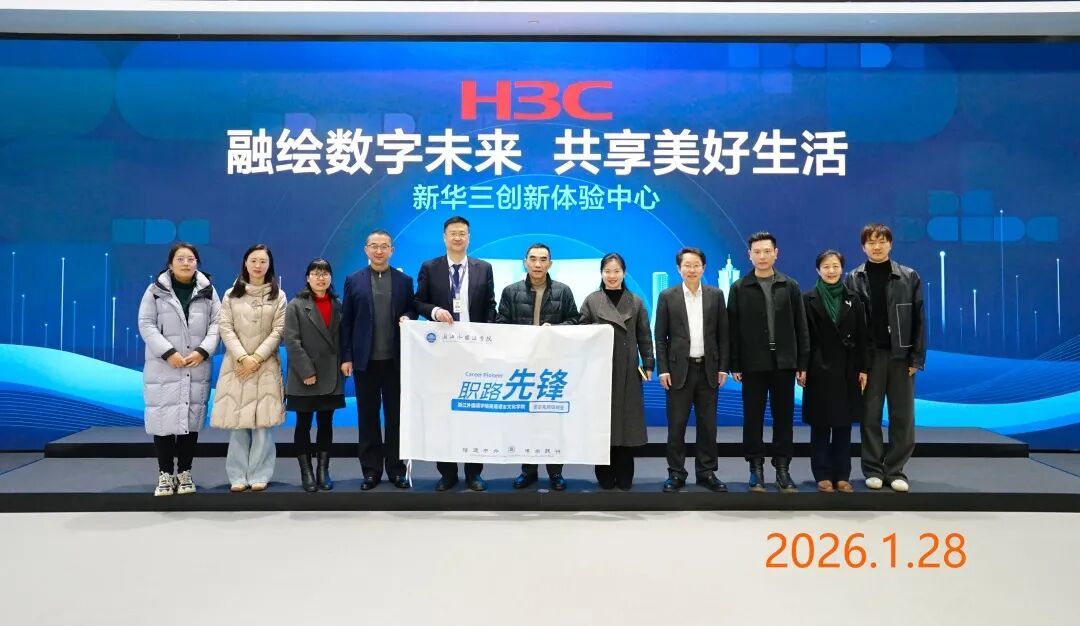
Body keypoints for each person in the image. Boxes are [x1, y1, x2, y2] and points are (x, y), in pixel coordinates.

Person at [414, 216, 497, 491]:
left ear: (469, 237)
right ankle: (447, 473)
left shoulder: (484, 268)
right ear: (444, 237)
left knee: (474, 413)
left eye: (462, 233)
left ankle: (474, 473)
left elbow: (490, 306)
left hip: (475, 353)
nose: (458, 237)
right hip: (442, 353)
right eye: (453, 233)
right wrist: (435, 311)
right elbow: (418, 301)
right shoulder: (430, 267)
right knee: (443, 413)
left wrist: (487, 339)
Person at [845, 224, 926, 493]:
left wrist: (916, 358)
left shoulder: (909, 276)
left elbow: (919, 320)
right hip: (869, 359)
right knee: (870, 416)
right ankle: (873, 469)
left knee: (902, 416)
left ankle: (895, 470)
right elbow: (849, 324)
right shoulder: (853, 278)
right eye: (871, 242)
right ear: (863, 247)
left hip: (901, 358)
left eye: (881, 241)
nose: (876, 246)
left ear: (890, 244)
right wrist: (856, 361)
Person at [728, 231, 809, 493]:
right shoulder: (739, 288)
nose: (762, 256)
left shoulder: (790, 285)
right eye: (757, 252)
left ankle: (783, 469)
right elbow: (732, 329)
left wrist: (802, 363)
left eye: (767, 251)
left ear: (776, 253)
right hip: (752, 364)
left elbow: (801, 327)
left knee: (783, 418)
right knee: (752, 418)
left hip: (784, 363)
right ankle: (756, 469)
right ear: (749, 255)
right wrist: (735, 363)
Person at [496, 242, 580, 491]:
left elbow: (575, 321)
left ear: (550, 264)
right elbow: (500, 324)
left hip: (553, 367)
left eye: (543, 260)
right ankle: (528, 471)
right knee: (525, 420)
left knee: (553, 420)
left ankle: (556, 472)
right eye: (533, 259)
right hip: (522, 366)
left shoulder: (563, 291)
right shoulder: (511, 292)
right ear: (525, 262)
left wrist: (555, 330)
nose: (537, 264)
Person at [138, 243, 220, 496]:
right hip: (163, 366)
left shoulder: (208, 291)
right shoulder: (155, 291)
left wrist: (203, 351)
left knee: (190, 421)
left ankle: (184, 473)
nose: (186, 263)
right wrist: (168, 352)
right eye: (181, 259)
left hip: (196, 364)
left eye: (191, 259)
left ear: (197, 263)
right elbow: (146, 324)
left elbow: (218, 324)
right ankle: (165, 475)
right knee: (163, 421)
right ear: (170, 263)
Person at [341, 230, 417, 491]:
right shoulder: (354, 280)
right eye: (374, 246)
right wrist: (347, 356)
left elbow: (412, 309)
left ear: (392, 250)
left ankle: (396, 470)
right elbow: (347, 321)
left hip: (395, 362)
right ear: (366, 249)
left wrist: (408, 316)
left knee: (396, 418)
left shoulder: (404, 281)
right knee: (368, 418)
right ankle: (371, 471)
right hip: (365, 362)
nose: (379, 250)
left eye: (384, 246)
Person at [211, 244, 287, 492]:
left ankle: (260, 474)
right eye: (253, 260)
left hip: (266, 366)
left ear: (269, 265)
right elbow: (225, 328)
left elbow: (279, 330)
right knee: (239, 424)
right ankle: (237, 476)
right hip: (237, 366)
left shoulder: (279, 296)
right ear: (245, 262)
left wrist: (257, 357)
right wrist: (244, 357)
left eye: (263, 261)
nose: (258, 265)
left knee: (263, 426)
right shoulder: (231, 294)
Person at [655, 246, 729, 493]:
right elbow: (660, 337)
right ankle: (676, 473)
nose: (692, 269)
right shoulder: (668, 296)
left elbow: (723, 334)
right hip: (678, 372)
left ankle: (707, 472)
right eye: (687, 265)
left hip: (708, 370)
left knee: (708, 426)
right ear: (679, 268)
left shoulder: (715, 295)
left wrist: (723, 367)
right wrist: (663, 369)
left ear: (703, 268)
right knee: (676, 426)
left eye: (696, 265)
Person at [578, 253, 654, 491]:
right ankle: (604, 472)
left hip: (629, 369)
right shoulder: (592, 301)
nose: (612, 276)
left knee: (627, 423)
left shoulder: (636, 302)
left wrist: (648, 364)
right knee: (603, 423)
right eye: (608, 271)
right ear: (601, 273)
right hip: (599, 370)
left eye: (616, 271)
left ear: (624, 273)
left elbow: (644, 336)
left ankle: (624, 472)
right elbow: (580, 333)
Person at [800, 250, 870, 493]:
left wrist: (863, 367)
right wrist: (802, 367)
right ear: (818, 270)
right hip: (817, 368)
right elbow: (803, 336)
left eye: (835, 266)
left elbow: (862, 336)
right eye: (826, 267)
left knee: (843, 425)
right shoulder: (807, 298)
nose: (831, 271)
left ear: (842, 269)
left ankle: (842, 475)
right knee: (820, 425)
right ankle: (822, 475)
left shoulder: (853, 298)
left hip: (847, 368)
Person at [284, 258, 345, 493]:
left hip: (331, 375)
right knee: (303, 424)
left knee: (326, 423)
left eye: (325, 273)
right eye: (316, 273)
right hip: (305, 376)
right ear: (307, 278)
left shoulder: (338, 304)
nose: (321, 278)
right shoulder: (296, 305)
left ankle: (323, 470)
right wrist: (306, 370)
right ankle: (306, 472)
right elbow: (291, 341)